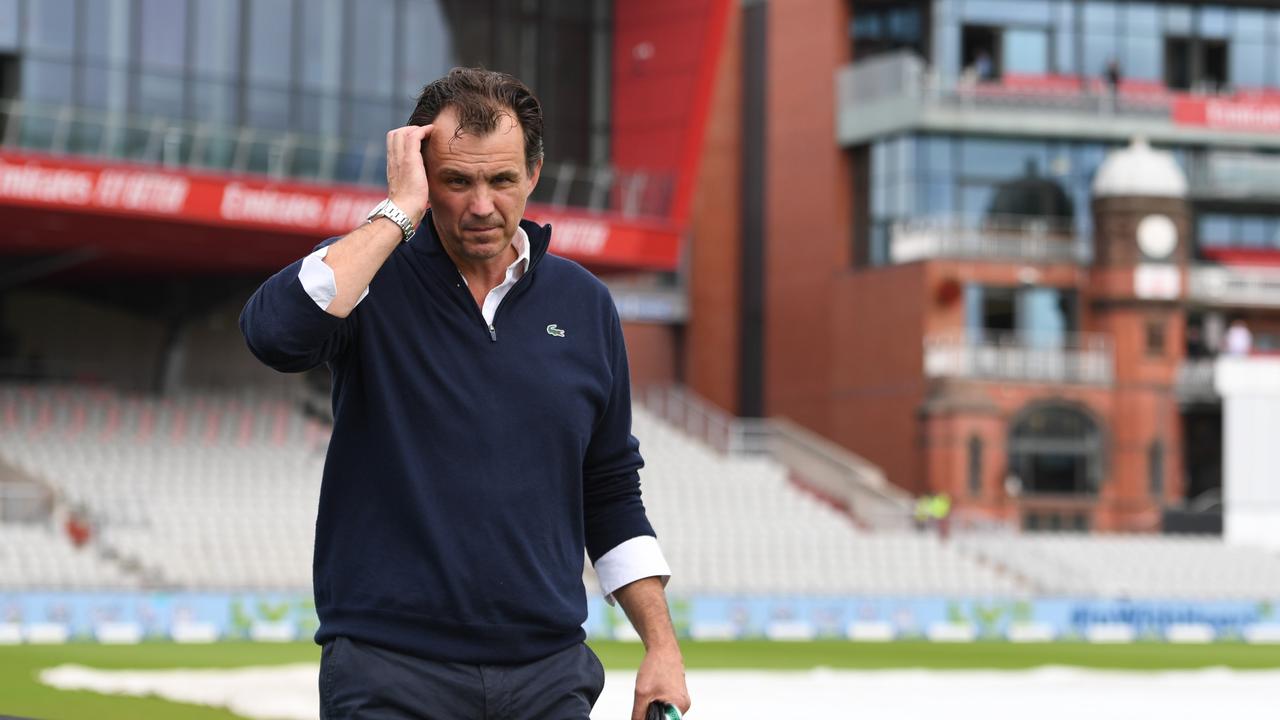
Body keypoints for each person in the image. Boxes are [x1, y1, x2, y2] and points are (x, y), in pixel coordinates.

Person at [240, 68, 690, 720]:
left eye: (502, 180)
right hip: (387, 671)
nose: (482, 205)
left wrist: (662, 647)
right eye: (457, 181)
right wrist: (397, 213)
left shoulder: (585, 305)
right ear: (423, 176)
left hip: (548, 675)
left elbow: (611, 489)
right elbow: (273, 334)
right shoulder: (371, 280)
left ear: (533, 175)